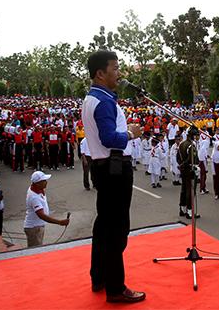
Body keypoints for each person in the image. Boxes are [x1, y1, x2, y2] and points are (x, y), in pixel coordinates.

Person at [82, 50, 145, 303]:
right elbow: (110, 139)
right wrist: (131, 133)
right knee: (117, 230)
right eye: (115, 69)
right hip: (114, 168)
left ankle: (99, 276)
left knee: (103, 226)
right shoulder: (104, 102)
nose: (119, 74)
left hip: (103, 167)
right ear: (100, 73)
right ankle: (115, 287)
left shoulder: (94, 98)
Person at [24, 171, 69, 247]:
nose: (46, 182)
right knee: (35, 252)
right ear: (37, 183)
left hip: (38, 227)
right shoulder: (34, 197)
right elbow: (41, 215)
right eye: (44, 181)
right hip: (34, 228)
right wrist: (60, 222)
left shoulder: (37, 188)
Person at [177, 127, 199, 219]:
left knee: (184, 189)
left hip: (183, 170)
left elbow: (177, 157)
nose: (196, 137)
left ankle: (182, 209)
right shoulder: (191, 145)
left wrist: (180, 165)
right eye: (195, 135)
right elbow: (192, 159)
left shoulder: (182, 144)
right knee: (190, 191)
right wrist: (187, 165)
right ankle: (189, 211)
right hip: (190, 169)